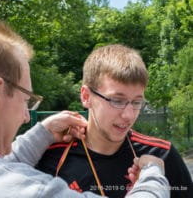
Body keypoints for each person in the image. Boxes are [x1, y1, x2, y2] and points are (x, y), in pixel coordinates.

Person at [0, 14, 169, 198]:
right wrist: (154, 174)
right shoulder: (25, 190)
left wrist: (43, 133)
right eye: (26, 100)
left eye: (136, 102)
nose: (27, 116)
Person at [36, 44, 193, 198]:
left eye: (137, 102)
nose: (129, 115)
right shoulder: (50, 155)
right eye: (117, 101)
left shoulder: (161, 156)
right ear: (86, 96)